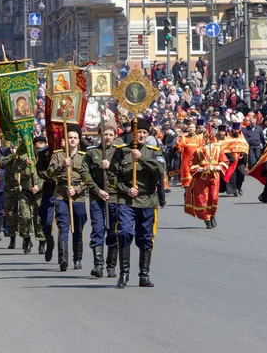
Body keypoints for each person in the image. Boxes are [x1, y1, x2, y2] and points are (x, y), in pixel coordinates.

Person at [112, 117, 165, 288]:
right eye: (138, 132)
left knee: (145, 237)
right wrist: (126, 189)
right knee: (125, 232)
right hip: (127, 199)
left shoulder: (154, 151)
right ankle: (124, 274)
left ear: (148, 134)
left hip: (147, 199)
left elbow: (160, 170)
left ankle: (144, 275)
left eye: (143, 132)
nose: (140, 135)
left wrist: (141, 158)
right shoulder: (121, 152)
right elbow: (113, 177)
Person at [82, 120, 119, 277]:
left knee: (113, 231)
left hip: (115, 197)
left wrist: (110, 166)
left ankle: (111, 265)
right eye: (105, 134)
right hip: (97, 197)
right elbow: (84, 173)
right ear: (99, 135)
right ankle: (98, 265)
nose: (108, 137)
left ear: (115, 136)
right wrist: (97, 190)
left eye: (111, 134)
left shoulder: (119, 153)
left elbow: (125, 172)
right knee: (97, 229)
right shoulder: (91, 153)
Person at [48, 124, 88, 271]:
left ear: (79, 140)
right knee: (63, 225)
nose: (72, 140)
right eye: (70, 137)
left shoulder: (84, 157)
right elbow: (50, 173)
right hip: (61, 193)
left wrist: (76, 189)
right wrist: (62, 166)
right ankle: (63, 258)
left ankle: (77, 259)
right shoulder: (57, 155)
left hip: (78, 195)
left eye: (75, 138)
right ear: (65, 139)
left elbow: (87, 179)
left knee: (78, 228)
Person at [184, 130, 229, 229]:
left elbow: (225, 161)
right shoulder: (198, 150)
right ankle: (206, 219)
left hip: (214, 177)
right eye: (205, 138)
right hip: (201, 178)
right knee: (202, 199)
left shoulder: (218, 149)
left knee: (213, 198)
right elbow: (191, 164)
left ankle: (212, 215)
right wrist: (200, 169)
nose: (207, 140)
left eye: (209, 137)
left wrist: (217, 167)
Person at [173, 119, 204, 188]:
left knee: (197, 184)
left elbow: (202, 149)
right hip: (186, 163)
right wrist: (176, 144)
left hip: (196, 163)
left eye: (192, 127)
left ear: (195, 128)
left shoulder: (199, 138)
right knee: (188, 185)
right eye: (190, 127)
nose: (191, 128)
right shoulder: (184, 138)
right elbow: (177, 149)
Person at [221, 122, 249, 196]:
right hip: (231, 159)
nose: (236, 131)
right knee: (233, 175)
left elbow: (245, 147)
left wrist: (243, 153)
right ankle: (234, 190)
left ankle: (239, 186)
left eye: (237, 129)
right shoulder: (228, 138)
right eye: (235, 129)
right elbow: (224, 148)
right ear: (232, 130)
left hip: (240, 160)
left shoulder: (241, 137)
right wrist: (231, 157)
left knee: (241, 174)